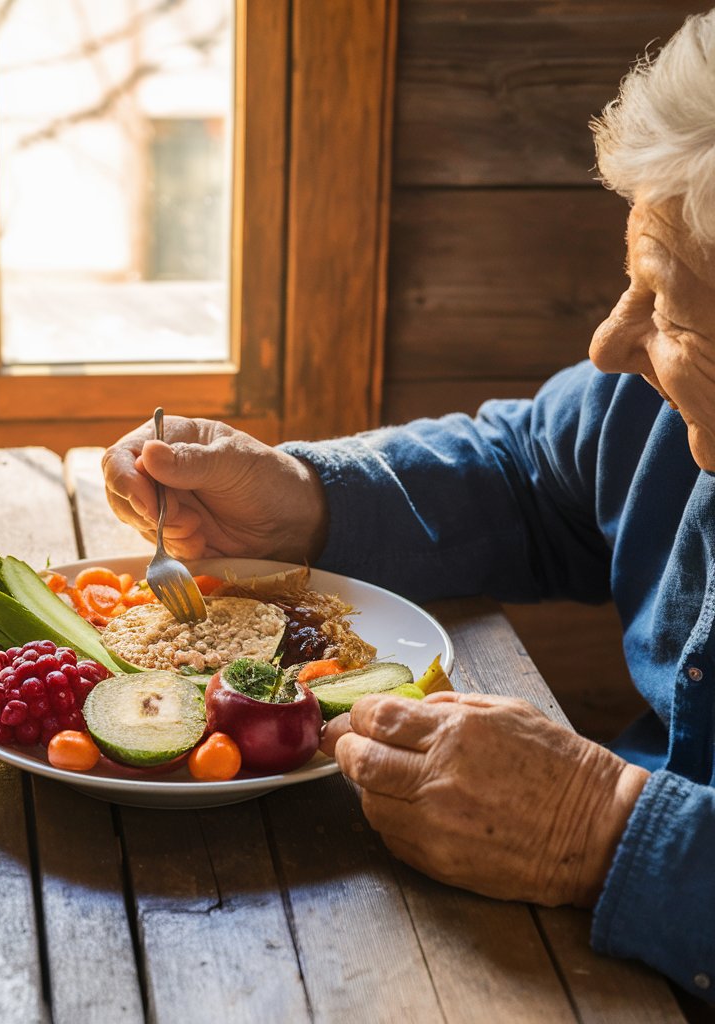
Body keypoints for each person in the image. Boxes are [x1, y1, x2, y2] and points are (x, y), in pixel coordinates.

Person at [102, 9, 715, 1001]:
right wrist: (299, 499)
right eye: (629, 281)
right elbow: (529, 471)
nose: (610, 344)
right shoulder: (649, 400)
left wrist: (604, 829)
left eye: (670, 311)